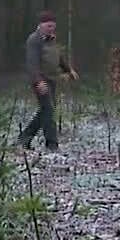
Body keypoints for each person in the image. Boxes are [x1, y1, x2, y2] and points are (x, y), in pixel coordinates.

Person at [19, 10, 77, 154]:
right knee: (49, 110)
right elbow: (32, 63)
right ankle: (52, 144)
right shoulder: (34, 40)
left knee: (46, 110)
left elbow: (59, 56)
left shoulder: (52, 39)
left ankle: (24, 138)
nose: (51, 29)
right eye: (48, 26)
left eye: (53, 26)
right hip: (40, 80)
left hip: (52, 79)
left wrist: (68, 70)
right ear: (41, 25)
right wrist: (38, 81)